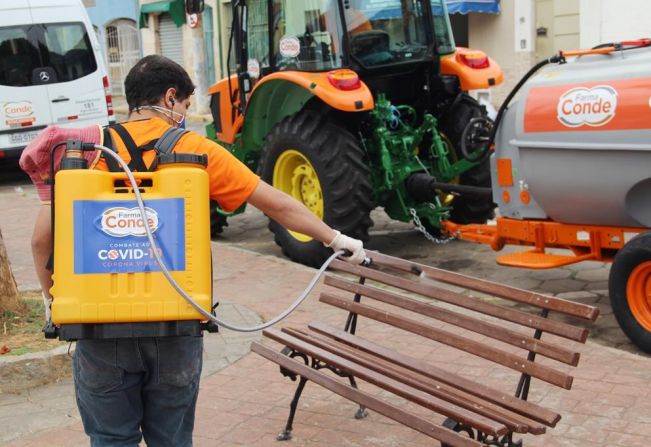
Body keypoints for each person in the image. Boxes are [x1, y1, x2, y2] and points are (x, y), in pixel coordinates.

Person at [20, 54, 366, 447]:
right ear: (171, 98)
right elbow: (278, 205)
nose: (184, 113)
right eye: (185, 105)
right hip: (177, 326)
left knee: (110, 440)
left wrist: (52, 299)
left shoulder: (88, 153)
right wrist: (336, 239)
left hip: (99, 332)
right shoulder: (195, 149)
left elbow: (40, 241)